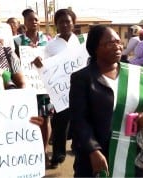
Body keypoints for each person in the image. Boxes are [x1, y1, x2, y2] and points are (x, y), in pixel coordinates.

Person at [69, 24, 143, 177]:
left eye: (119, 42)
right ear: (95, 48)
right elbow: (79, 120)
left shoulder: (134, 74)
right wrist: (93, 151)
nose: (117, 47)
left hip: (131, 155)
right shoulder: (82, 78)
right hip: (97, 156)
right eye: (111, 43)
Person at [33, 8, 85, 169]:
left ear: (73, 23)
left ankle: (79, 148)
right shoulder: (50, 46)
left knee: (82, 120)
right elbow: (43, 66)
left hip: (82, 87)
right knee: (60, 124)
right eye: (61, 22)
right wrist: (39, 63)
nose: (64, 24)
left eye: (68, 21)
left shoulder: (81, 42)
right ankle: (58, 155)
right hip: (61, 91)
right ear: (56, 25)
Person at [14, 8, 53, 168]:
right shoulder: (17, 41)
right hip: (27, 86)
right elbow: (14, 62)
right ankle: (30, 153)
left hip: (43, 86)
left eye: (36, 19)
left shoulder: (47, 39)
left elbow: (52, 60)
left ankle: (43, 152)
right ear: (25, 22)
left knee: (45, 121)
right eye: (30, 19)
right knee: (29, 120)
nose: (34, 22)